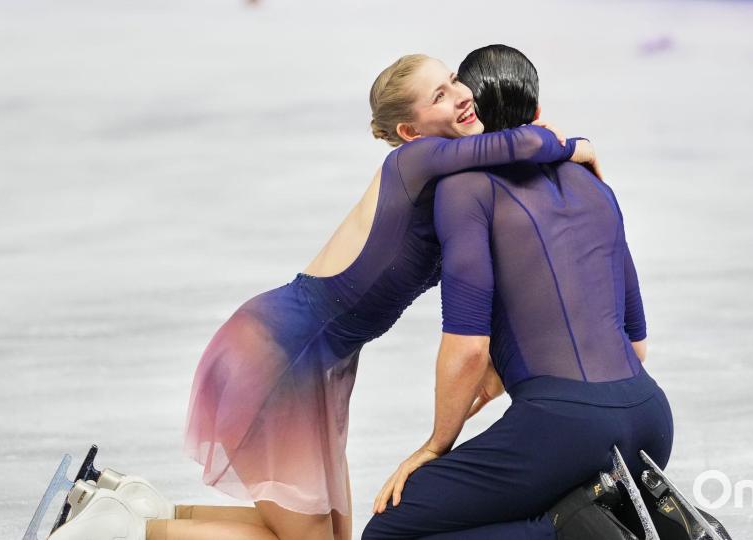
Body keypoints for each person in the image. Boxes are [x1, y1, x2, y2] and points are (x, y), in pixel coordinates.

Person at [45, 54, 599, 540]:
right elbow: (522, 141)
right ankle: (128, 531)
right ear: (410, 130)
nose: (460, 95)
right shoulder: (416, 160)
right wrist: (577, 147)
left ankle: (139, 508)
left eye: (455, 80)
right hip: (279, 352)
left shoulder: (452, 177)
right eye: (440, 94)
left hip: (313, 361)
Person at [363, 45, 671, 539]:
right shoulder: (594, 182)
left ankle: (563, 531)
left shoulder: (465, 190)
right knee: (535, 495)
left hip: (563, 429)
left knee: (390, 532)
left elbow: (468, 348)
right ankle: (589, 515)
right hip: (650, 421)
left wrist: (435, 445)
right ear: (538, 115)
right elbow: (636, 344)